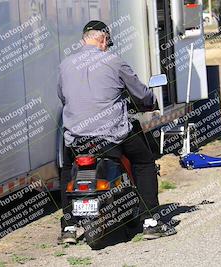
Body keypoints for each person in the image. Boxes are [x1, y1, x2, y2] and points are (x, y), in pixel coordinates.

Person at [57, 20, 168, 244]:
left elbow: (62, 97)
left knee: (68, 168)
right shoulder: (114, 62)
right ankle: (151, 222)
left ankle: (68, 227)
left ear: (84, 39)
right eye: (108, 42)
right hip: (111, 136)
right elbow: (141, 94)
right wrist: (151, 102)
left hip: (76, 137)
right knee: (145, 162)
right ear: (104, 39)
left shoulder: (65, 65)